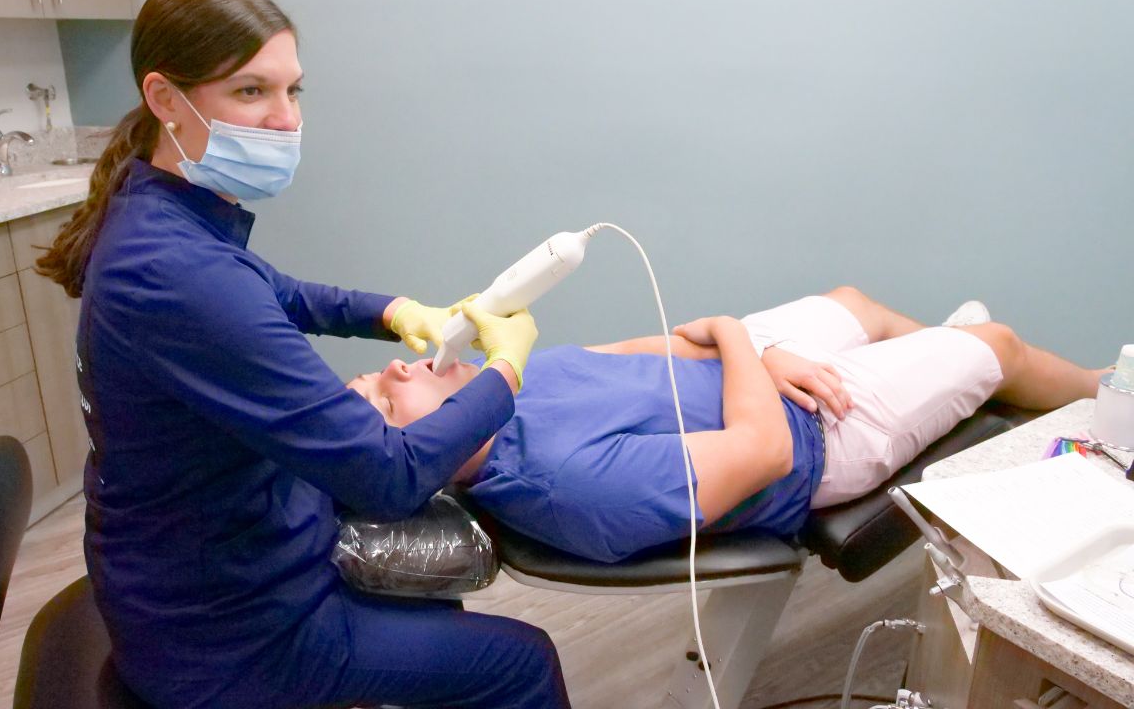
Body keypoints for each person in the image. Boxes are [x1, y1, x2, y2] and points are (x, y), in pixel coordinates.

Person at [35, 0, 570, 709]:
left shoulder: (160, 212)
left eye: (294, 91)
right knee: (520, 662)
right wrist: (504, 374)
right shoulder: (175, 275)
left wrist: (395, 311)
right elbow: (388, 473)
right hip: (235, 641)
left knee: (430, 607)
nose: (287, 120)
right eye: (252, 92)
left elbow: (275, 293)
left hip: (202, 576)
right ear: (165, 99)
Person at [348, 287, 1107, 563]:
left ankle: (943, 370)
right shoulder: (564, 485)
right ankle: (1105, 397)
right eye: (385, 404)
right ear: (419, 463)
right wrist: (743, 342)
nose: (394, 370)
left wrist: (750, 348)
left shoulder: (503, 387)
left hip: (756, 377)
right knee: (996, 342)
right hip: (818, 436)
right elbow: (765, 451)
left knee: (857, 303)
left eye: (372, 377)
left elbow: (650, 349)